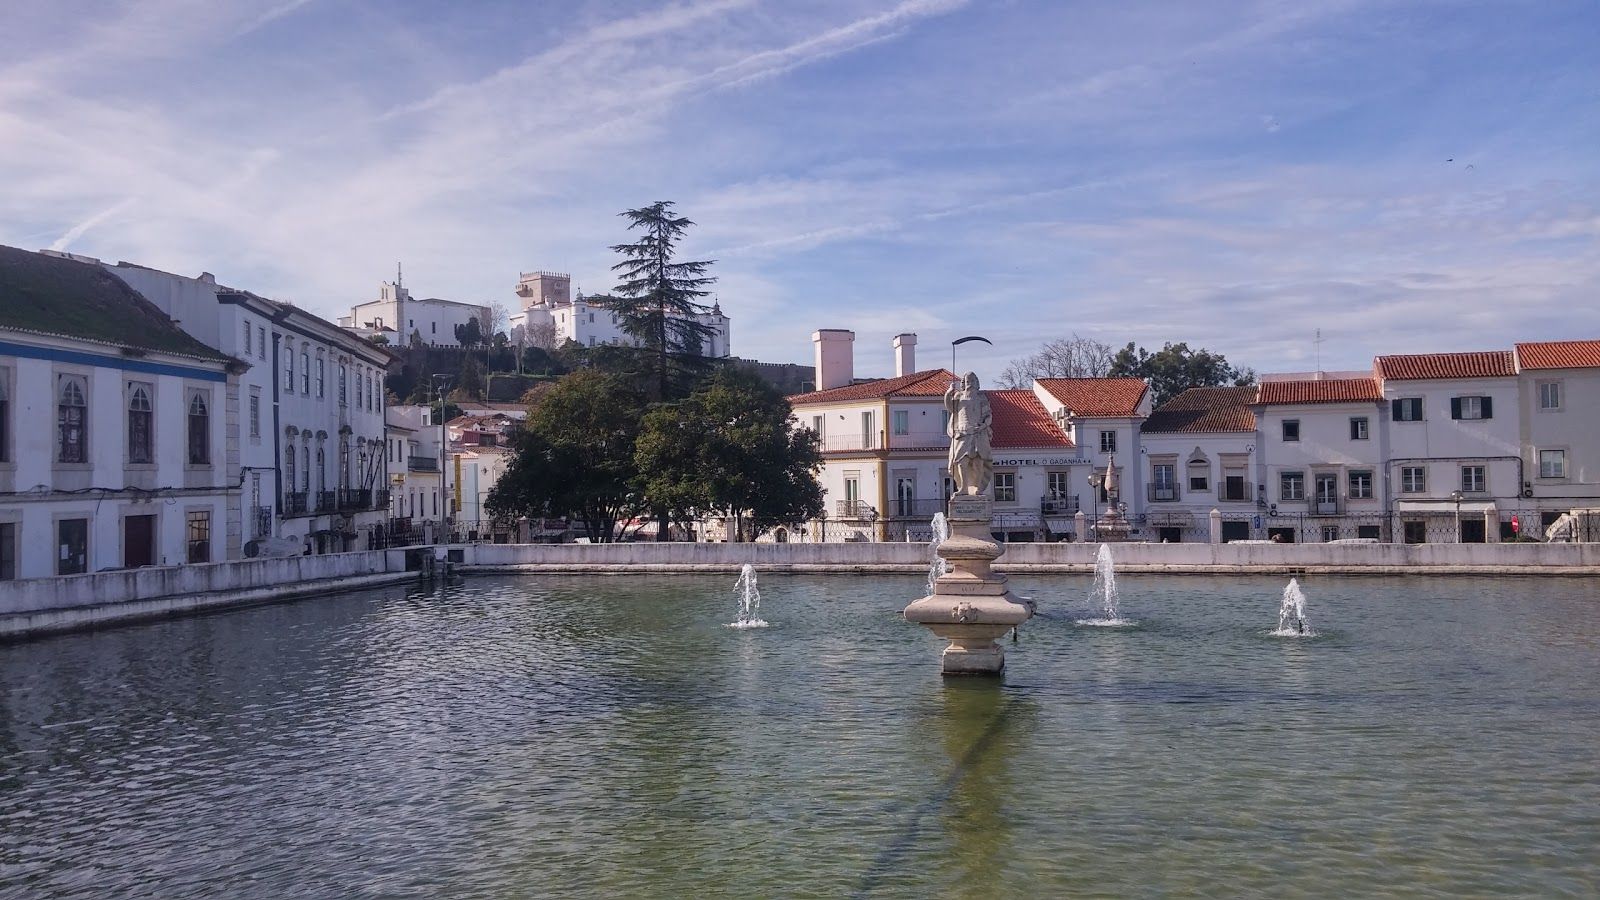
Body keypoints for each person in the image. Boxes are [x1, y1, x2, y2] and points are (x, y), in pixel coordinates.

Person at [944, 372, 993, 496]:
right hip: (962, 433)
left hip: (978, 433)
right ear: (963, 383)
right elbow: (950, 407)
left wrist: (983, 426)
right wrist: (949, 393)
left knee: (978, 461)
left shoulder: (982, 398)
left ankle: (977, 487)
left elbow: (988, 416)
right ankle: (964, 488)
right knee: (961, 461)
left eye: (972, 380)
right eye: (967, 380)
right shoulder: (958, 396)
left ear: (976, 383)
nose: (969, 382)